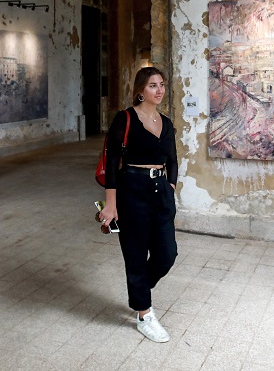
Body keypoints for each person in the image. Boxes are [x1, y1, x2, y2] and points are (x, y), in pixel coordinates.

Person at [98, 66, 178, 343]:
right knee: (135, 255)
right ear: (140, 90)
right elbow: (111, 163)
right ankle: (144, 315)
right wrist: (111, 205)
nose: (160, 90)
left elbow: (173, 160)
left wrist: (169, 187)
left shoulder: (165, 122)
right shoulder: (125, 118)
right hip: (131, 191)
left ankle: (140, 287)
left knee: (167, 254)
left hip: (161, 193)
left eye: (162, 84)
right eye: (153, 85)